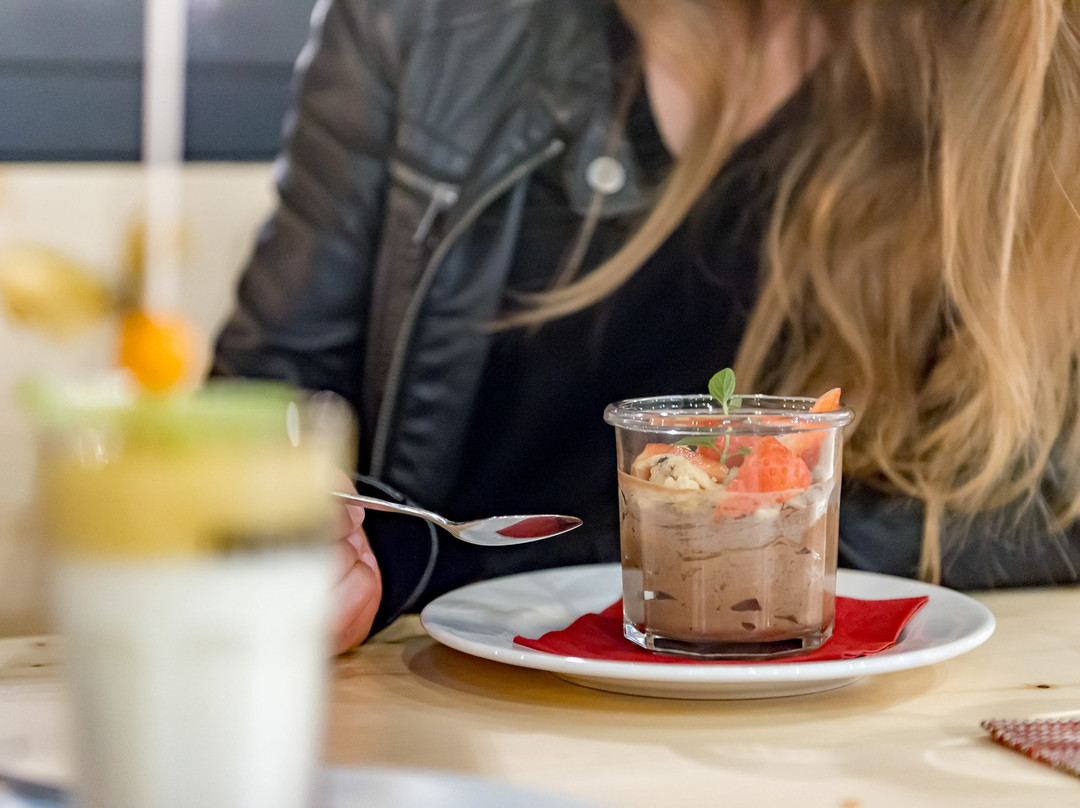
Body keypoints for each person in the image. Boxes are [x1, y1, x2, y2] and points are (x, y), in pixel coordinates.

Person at [211, 0, 1080, 652]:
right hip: (431, 689)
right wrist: (311, 539)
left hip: (819, 720)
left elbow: (1051, 505)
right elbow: (256, 399)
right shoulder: (423, 21)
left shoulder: (1036, 75)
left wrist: (759, 538)